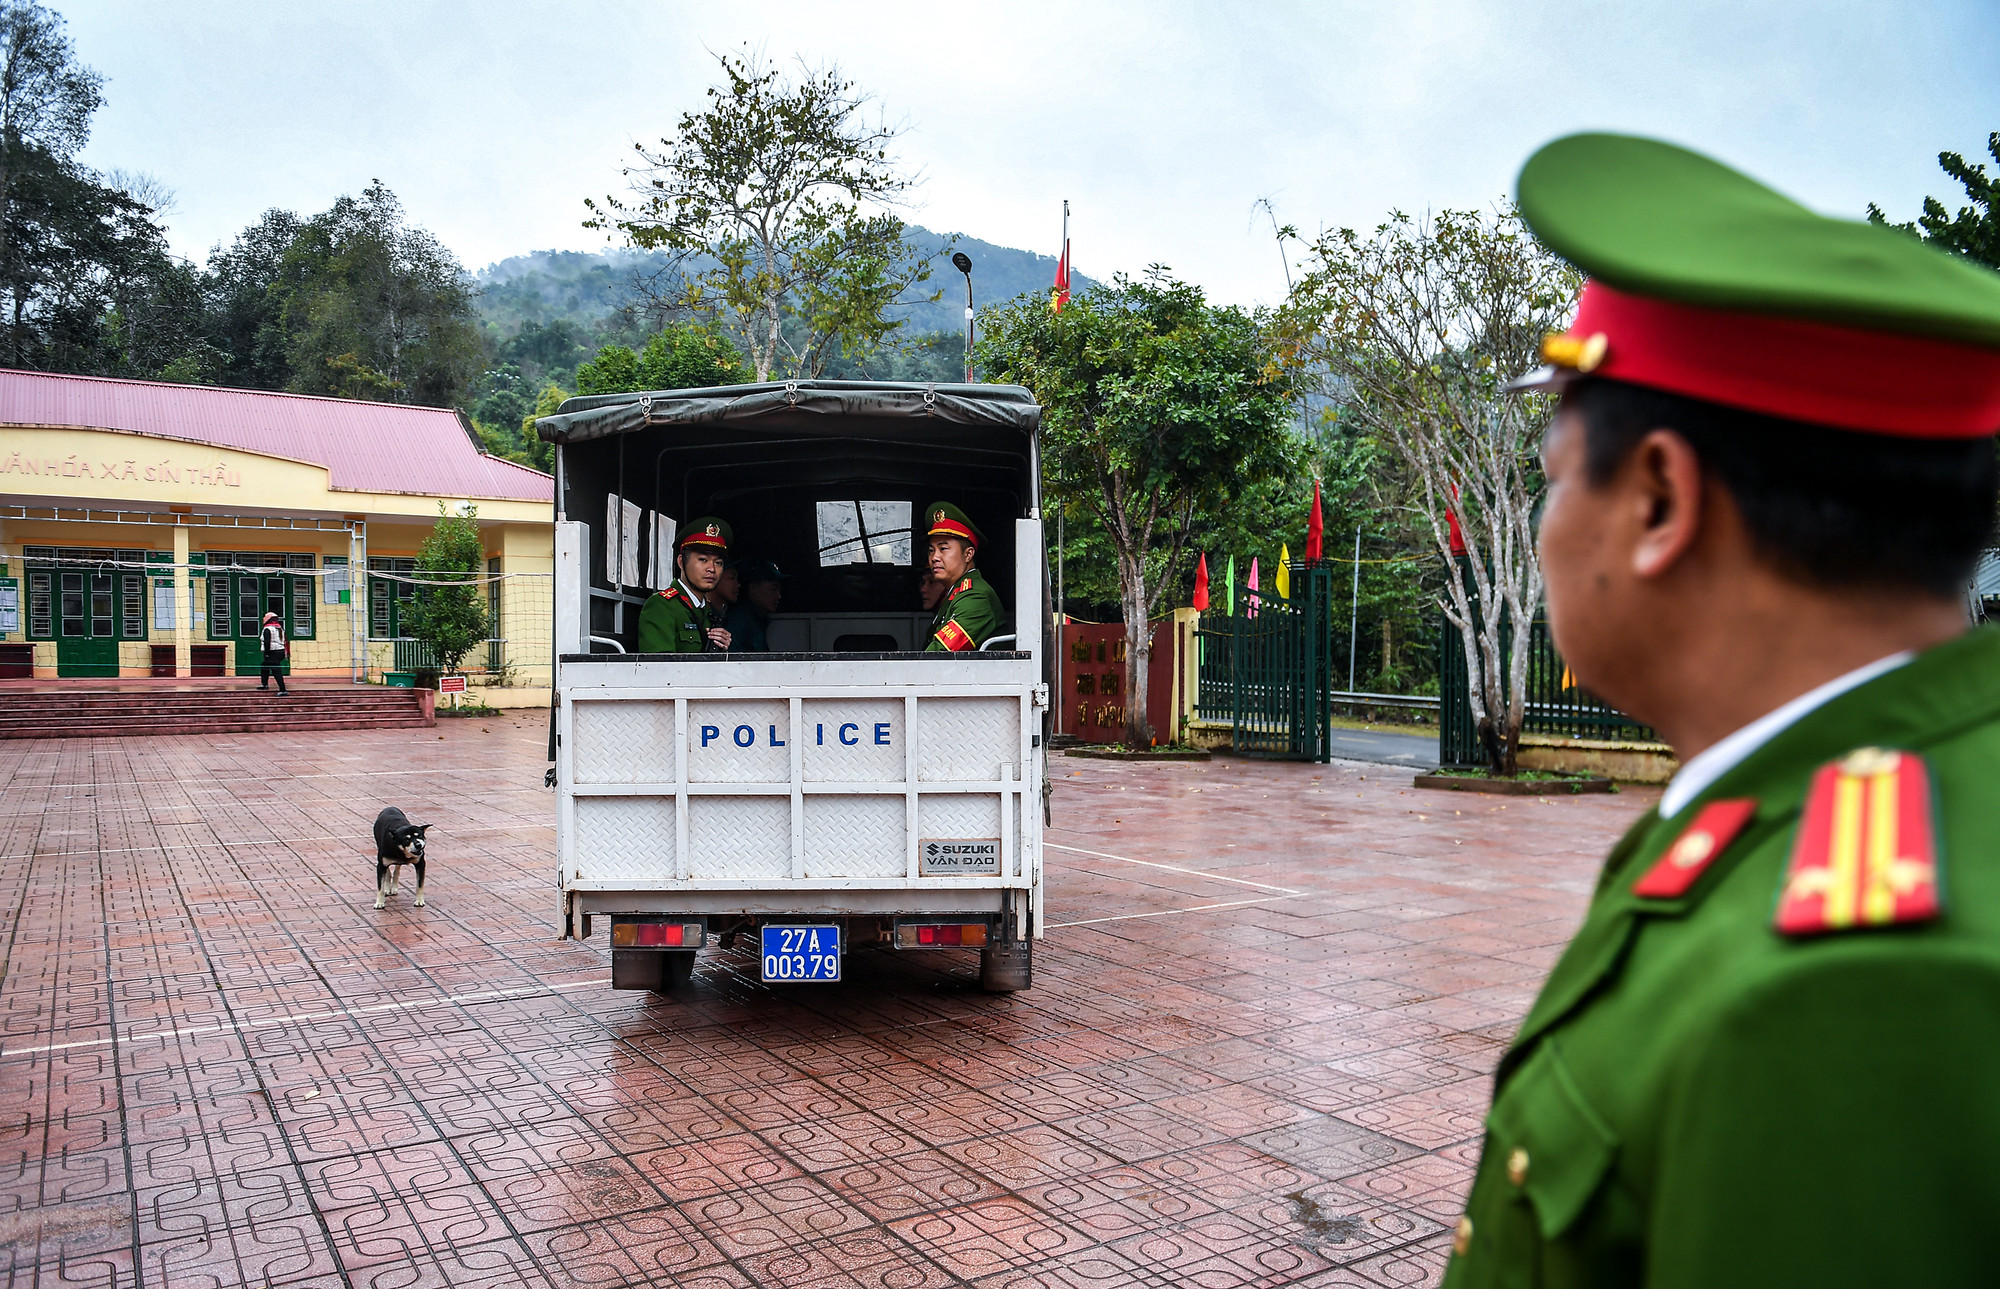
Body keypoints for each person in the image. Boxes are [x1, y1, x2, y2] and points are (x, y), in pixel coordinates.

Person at [1442, 133, 2000, 1287]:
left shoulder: (1846, 989)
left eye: (1551, 473)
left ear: (1656, 496)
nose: (1546, 529)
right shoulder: (1850, 801)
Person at [636, 517, 733, 652]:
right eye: (703, 560)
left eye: (718, 563)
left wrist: (722, 650)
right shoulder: (662, 605)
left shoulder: (707, 610)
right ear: (681, 562)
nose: (712, 568)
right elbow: (658, 668)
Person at [923, 502, 1005, 651]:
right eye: (931, 550)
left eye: (943, 549)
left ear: (968, 554)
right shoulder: (956, 593)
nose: (934, 557)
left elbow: (937, 656)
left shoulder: (976, 598)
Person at [723, 559, 788, 652]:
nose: (778, 596)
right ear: (753, 587)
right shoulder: (739, 619)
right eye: (773, 589)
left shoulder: (757, 619)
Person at [258, 610, 288, 695]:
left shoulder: (267, 629)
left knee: (276, 671)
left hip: (272, 652)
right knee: (264, 666)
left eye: (265, 616)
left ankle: (283, 690)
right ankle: (264, 684)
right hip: (280, 651)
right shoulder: (279, 627)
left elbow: (267, 641)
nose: (264, 618)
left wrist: (267, 653)